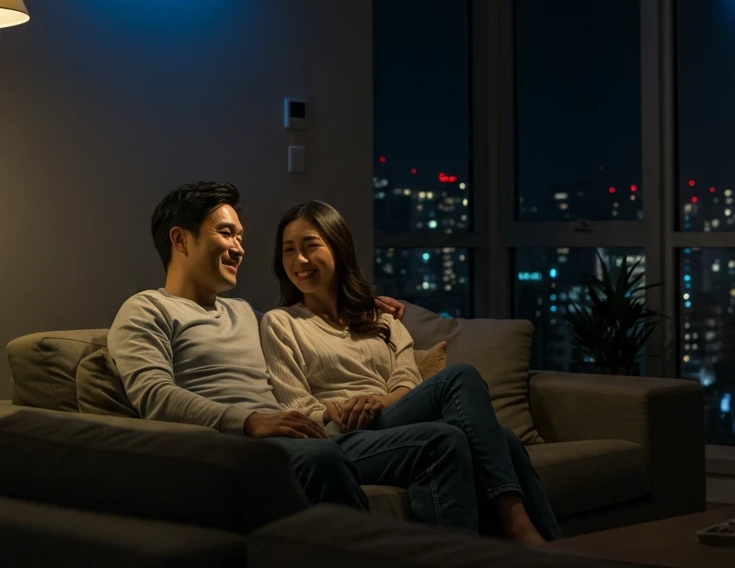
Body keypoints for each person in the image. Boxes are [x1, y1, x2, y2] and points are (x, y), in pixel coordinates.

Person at [108, 181, 479, 519]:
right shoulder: (146, 309)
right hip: (233, 445)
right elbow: (154, 395)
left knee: (445, 438)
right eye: (227, 233)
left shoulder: (245, 313)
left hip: (291, 437)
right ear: (180, 239)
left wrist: (363, 306)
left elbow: (311, 326)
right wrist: (250, 421)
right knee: (323, 456)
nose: (239, 248)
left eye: (240, 237)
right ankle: (369, 561)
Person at [259, 201, 562, 544]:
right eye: (289, 250)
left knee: (503, 438)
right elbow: (296, 406)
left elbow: (407, 382)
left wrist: (379, 401)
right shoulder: (281, 323)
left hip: (389, 418)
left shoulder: (382, 319)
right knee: (457, 390)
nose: (299, 260)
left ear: (338, 248)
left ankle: (554, 550)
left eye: (310, 246)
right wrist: (337, 409)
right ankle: (513, 525)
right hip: (341, 435)